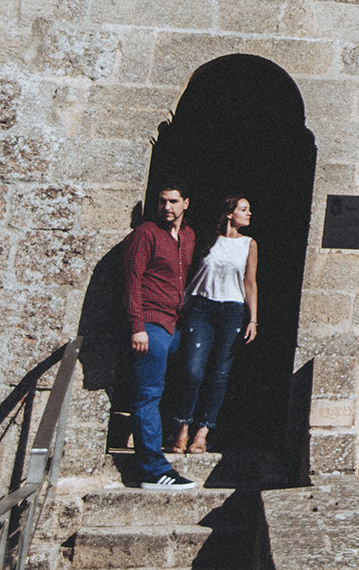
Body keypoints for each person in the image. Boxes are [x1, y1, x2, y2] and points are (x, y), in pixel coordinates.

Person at [167, 195, 259, 455]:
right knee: (192, 370)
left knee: (219, 374)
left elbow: (250, 283)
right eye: (244, 209)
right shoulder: (207, 239)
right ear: (229, 213)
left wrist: (252, 318)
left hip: (232, 311)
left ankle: (202, 432)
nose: (249, 214)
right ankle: (181, 428)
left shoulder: (249, 244)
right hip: (201, 307)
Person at [121, 179, 198, 488]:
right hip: (150, 325)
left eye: (173, 201)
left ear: (186, 203)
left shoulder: (189, 236)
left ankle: (162, 447)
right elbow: (132, 280)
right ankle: (154, 471)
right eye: (162, 201)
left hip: (175, 324)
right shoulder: (145, 234)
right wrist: (136, 327)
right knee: (147, 394)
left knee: (178, 384)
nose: (167, 207)